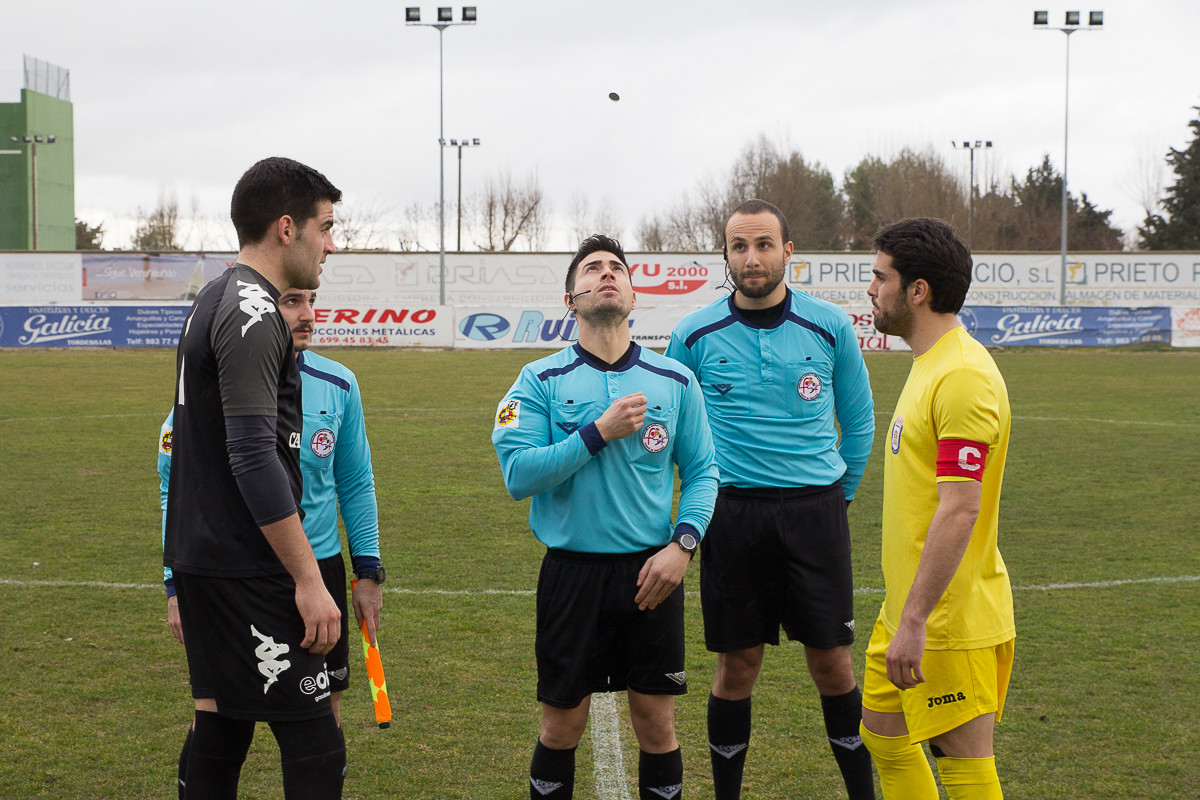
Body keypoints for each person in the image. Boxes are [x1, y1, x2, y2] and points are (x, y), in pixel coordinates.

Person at [492, 234, 719, 800]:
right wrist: (596, 433)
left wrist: (683, 545)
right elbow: (519, 475)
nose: (606, 274)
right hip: (572, 575)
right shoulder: (537, 380)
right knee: (561, 727)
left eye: (616, 268)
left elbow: (704, 471)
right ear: (572, 299)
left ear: (634, 295)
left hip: (653, 574)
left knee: (657, 725)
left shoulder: (675, 380)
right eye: (591, 270)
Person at [666, 199, 876, 800]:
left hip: (816, 514)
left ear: (789, 252)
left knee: (833, 665)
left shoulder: (829, 325)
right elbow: (674, 434)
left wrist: (839, 501)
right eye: (739, 246)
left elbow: (858, 425)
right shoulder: (694, 334)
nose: (751, 258)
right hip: (733, 517)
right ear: (726, 255)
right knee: (738, 667)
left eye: (763, 245)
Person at [163, 156, 345, 800]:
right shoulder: (251, 311)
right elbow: (250, 455)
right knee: (316, 742)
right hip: (246, 565)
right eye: (326, 226)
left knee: (222, 726)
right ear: (287, 227)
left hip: (205, 555)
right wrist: (306, 579)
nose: (332, 244)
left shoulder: (217, 295)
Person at [159, 286, 385, 795]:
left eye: (311, 301)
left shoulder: (339, 383)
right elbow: (173, 483)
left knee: (321, 712)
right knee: (219, 718)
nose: (307, 315)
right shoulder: (215, 384)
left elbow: (355, 482)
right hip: (230, 576)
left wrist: (367, 570)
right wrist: (174, 584)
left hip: (317, 574)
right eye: (290, 302)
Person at [860, 217, 1014, 800]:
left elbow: (959, 509)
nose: (871, 290)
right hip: (904, 608)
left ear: (917, 290)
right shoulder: (930, 363)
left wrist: (918, 620)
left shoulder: (962, 377)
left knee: (965, 768)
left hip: (946, 619)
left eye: (880, 278)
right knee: (884, 736)